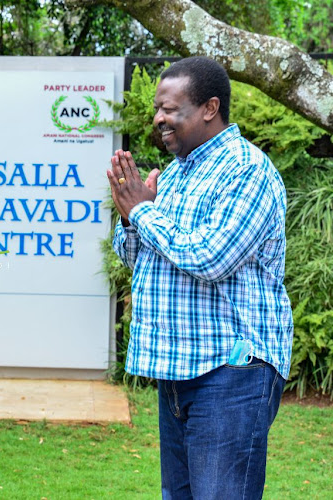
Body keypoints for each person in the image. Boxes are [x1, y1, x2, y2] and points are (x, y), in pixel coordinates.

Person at [107, 56, 293, 499]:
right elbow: (141, 258)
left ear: (210, 108)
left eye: (170, 109)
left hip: (231, 372)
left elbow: (211, 258)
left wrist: (143, 212)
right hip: (178, 369)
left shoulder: (248, 171)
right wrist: (132, 220)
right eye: (157, 108)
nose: (158, 119)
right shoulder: (173, 175)